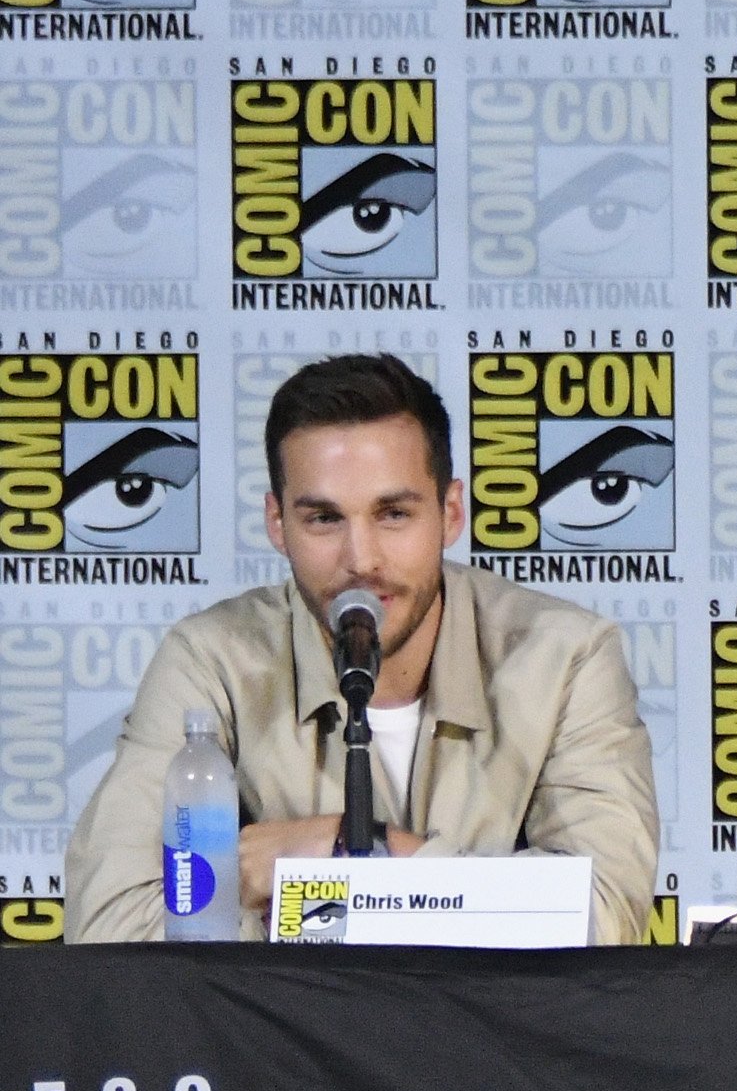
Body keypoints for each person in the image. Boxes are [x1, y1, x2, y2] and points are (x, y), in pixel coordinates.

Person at [65, 353, 661, 942]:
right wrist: (475, 910)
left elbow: (604, 919)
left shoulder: (566, 657)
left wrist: (347, 856)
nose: (362, 560)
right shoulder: (211, 660)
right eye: (324, 519)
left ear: (451, 513)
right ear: (277, 524)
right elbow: (111, 927)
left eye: (394, 513)